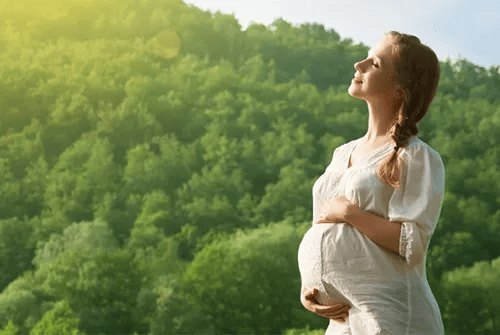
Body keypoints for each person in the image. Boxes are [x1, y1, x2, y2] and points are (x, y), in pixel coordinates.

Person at [297, 31, 445, 334]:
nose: (358, 64)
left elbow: (412, 245)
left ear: (400, 90)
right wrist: (309, 288)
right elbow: (321, 228)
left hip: (392, 318)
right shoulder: (342, 154)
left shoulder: (415, 157)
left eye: (374, 63)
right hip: (344, 320)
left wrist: (350, 213)